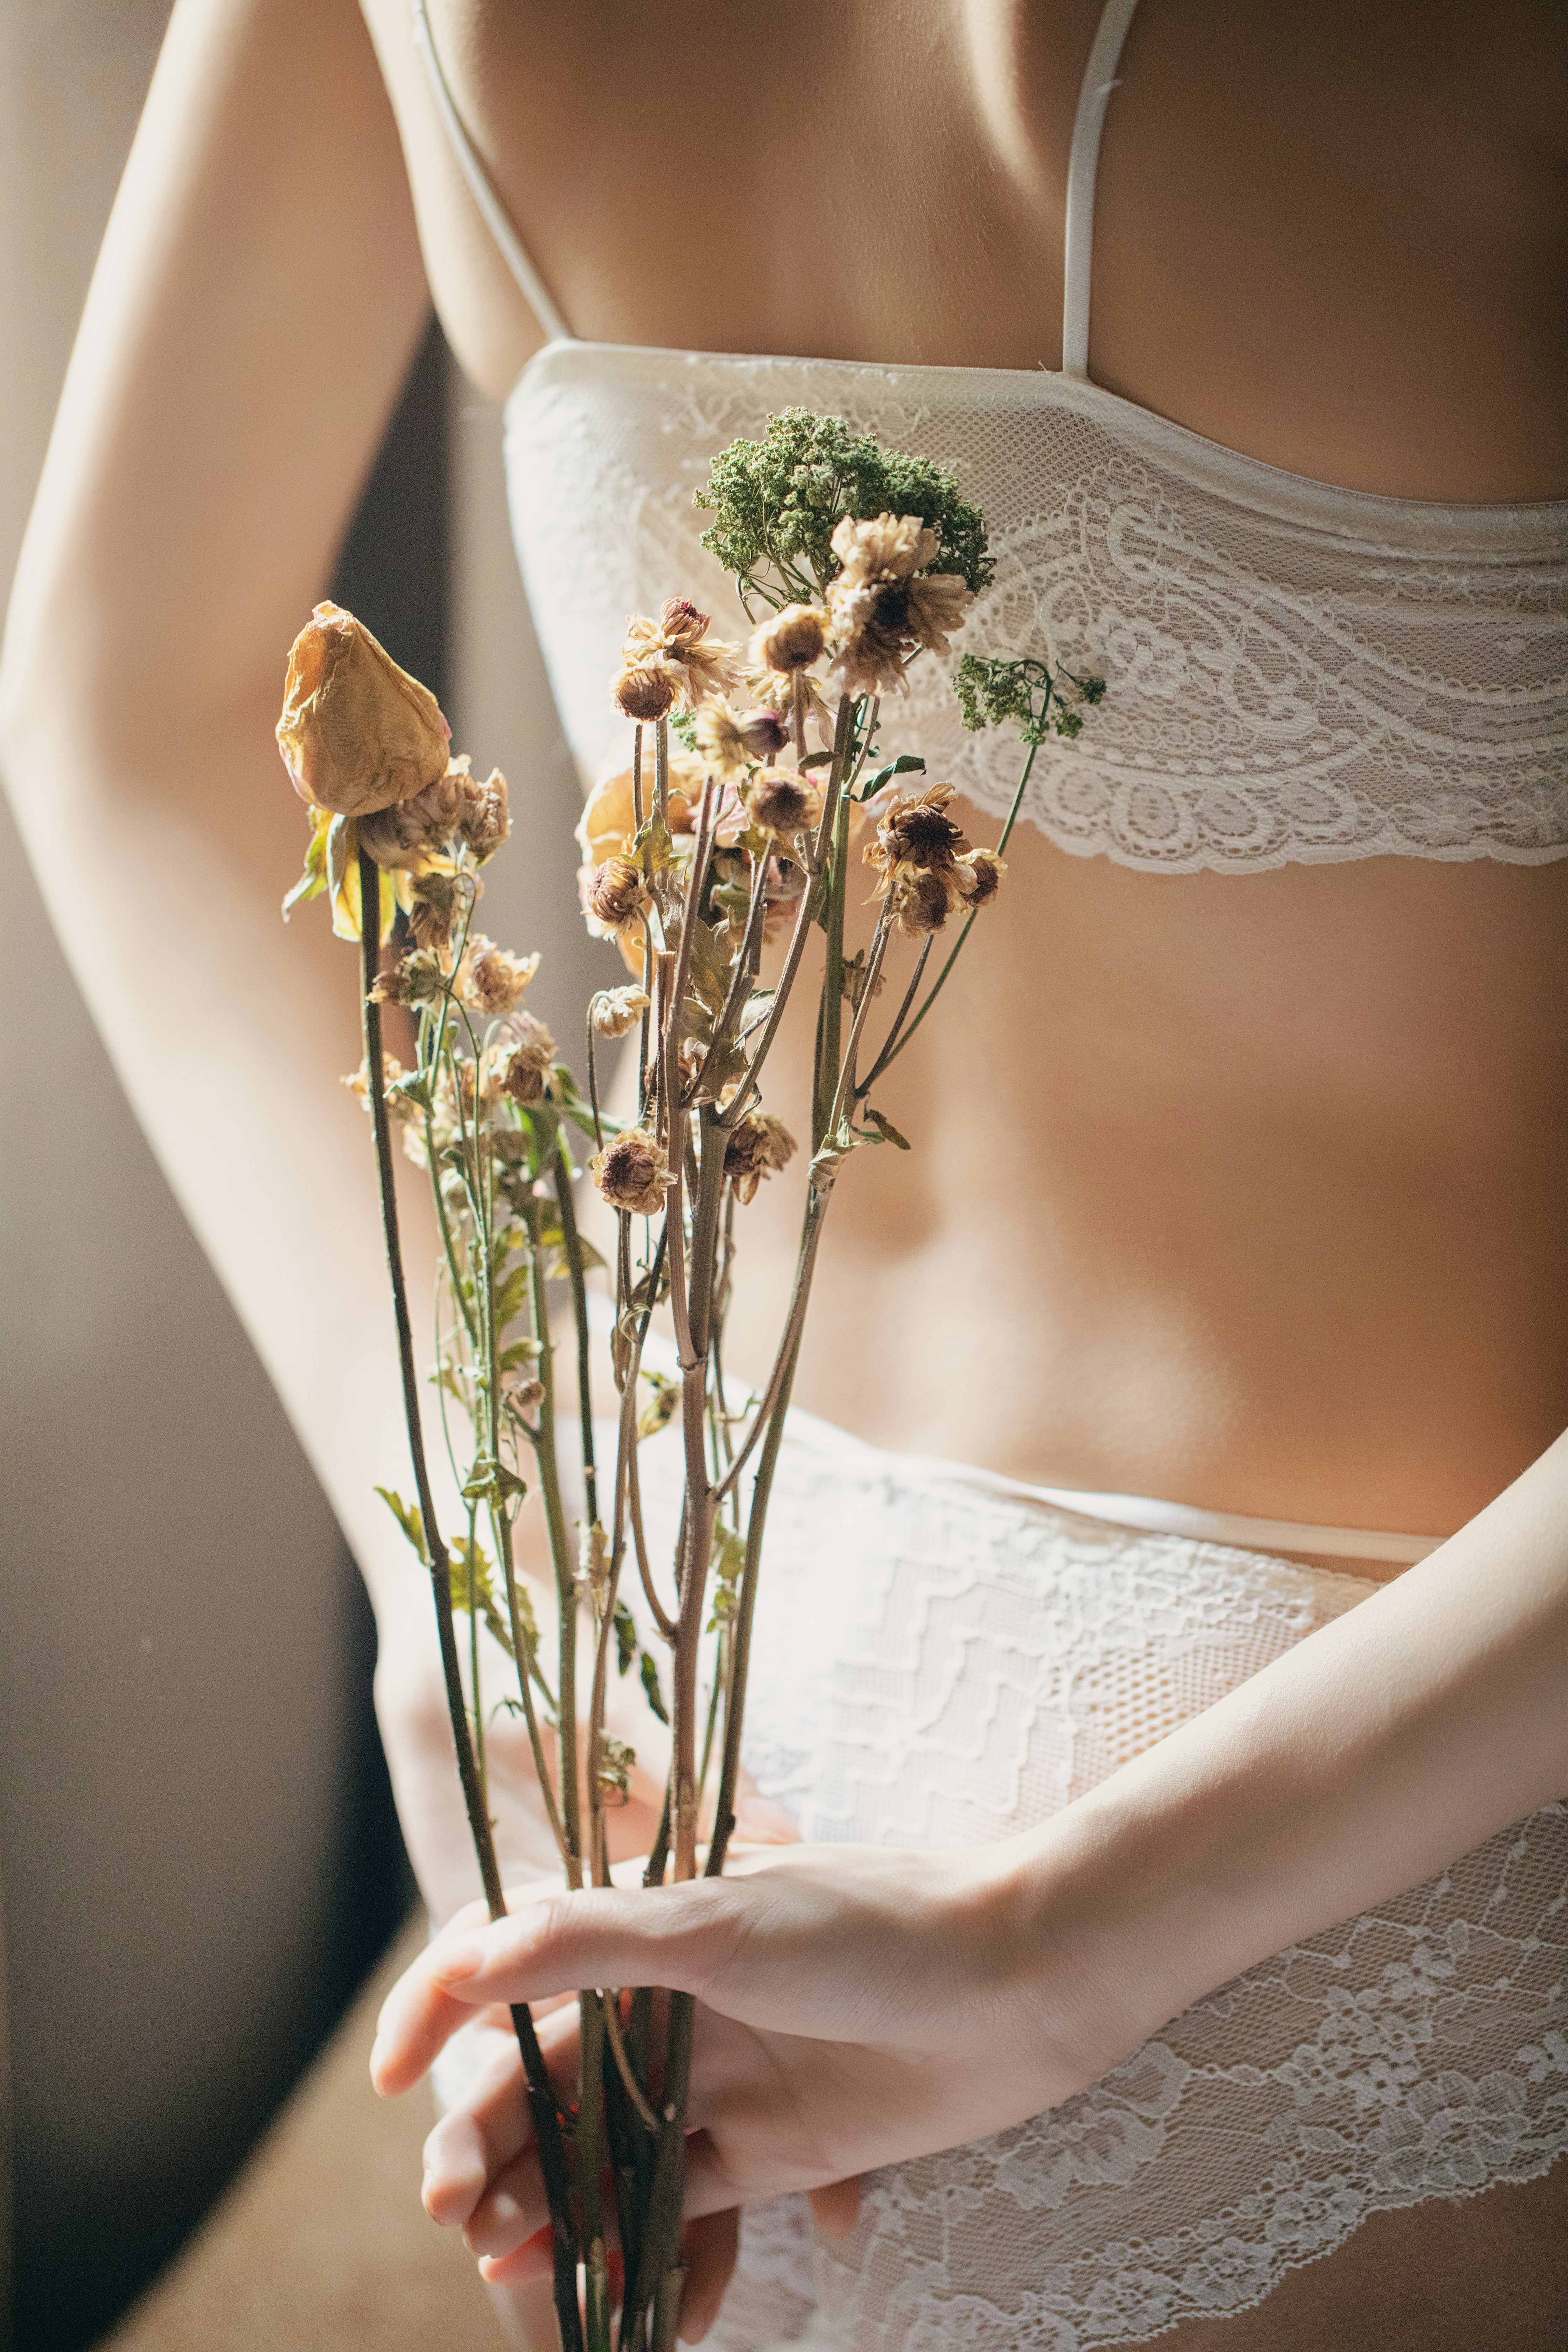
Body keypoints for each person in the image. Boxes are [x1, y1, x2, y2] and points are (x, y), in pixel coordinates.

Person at [2, 0, 1566, 2344]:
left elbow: (124, 691)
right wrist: (1052, 1938)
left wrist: (489, 1556)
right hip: (1421, 1822)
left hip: (703, 1702)